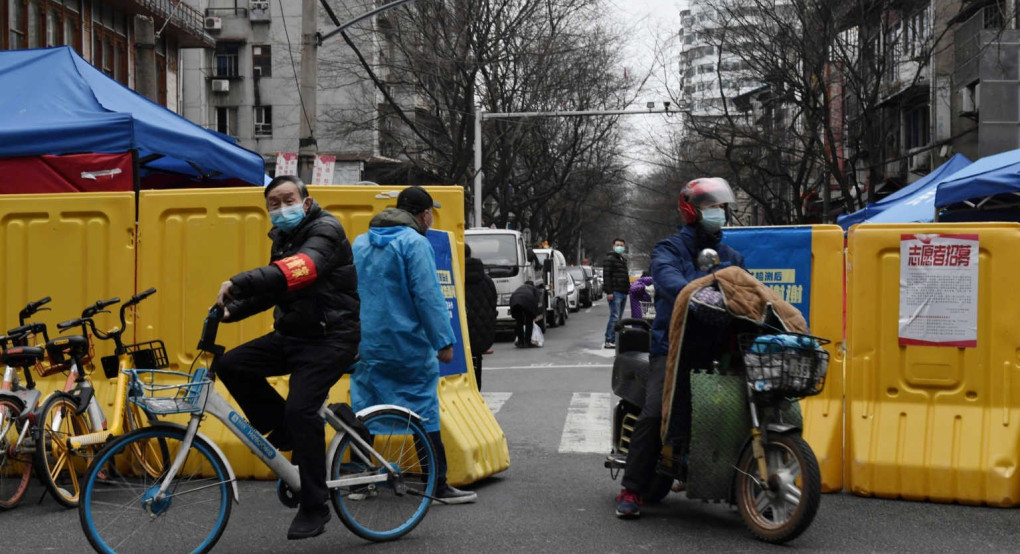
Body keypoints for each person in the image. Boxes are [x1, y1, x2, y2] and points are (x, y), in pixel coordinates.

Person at [213, 175, 360, 539]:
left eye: (287, 199)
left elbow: (303, 269)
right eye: (273, 204)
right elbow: (277, 289)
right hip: (294, 335)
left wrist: (240, 281)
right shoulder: (283, 238)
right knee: (232, 364)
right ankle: (286, 433)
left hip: (332, 338)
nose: (281, 208)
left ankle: (315, 504)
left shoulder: (326, 229)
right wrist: (234, 310)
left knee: (301, 410)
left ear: (306, 202)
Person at [615, 177, 745, 519]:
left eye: (721, 207)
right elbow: (667, 277)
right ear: (691, 209)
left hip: (715, 347)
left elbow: (745, 288)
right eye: (711, 207)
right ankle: (631, 489)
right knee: (657, 412)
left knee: (739, 408)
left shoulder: (731, 255)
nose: (719, 212)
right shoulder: (669, 248)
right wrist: (696, 292)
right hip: (671, 348)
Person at [349, 186, 477, 504]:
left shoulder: (361, 242)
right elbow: (427, 295)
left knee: (364, 408)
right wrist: (443, 340)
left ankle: (358, 482)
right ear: (423, 215)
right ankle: (437, 484)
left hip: (367, 342)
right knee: (422, 411)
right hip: (406, 345)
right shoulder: (415, 243)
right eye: (430, 213)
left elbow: (348, 291)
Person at [464, 244, 497, 389]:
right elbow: (493, 303)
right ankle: (476, 392)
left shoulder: (456, 277)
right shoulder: (487, 281)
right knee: (476, 363)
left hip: (461, 334)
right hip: (482, 333)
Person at [603, 238, 631, 348]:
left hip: (623, 291)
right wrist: (609, 292)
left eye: (622, 245)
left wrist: (627, 289)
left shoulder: (622, 259)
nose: (620, 247)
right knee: (614, 317)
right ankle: (609, 339)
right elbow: (607, 276)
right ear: (613, 246)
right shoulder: (610, 259)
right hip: (615, 292)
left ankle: (614, 339)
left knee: (618, 317)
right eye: (618, 245)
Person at [509, 280, 543, 348]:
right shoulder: (534, 289)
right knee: (529, 322)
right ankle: (527, 342)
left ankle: (521, 342)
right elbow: (537, 300)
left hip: (514, 300)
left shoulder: (520, 287)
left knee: (519, 322)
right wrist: (534, 314)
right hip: (527, 301)